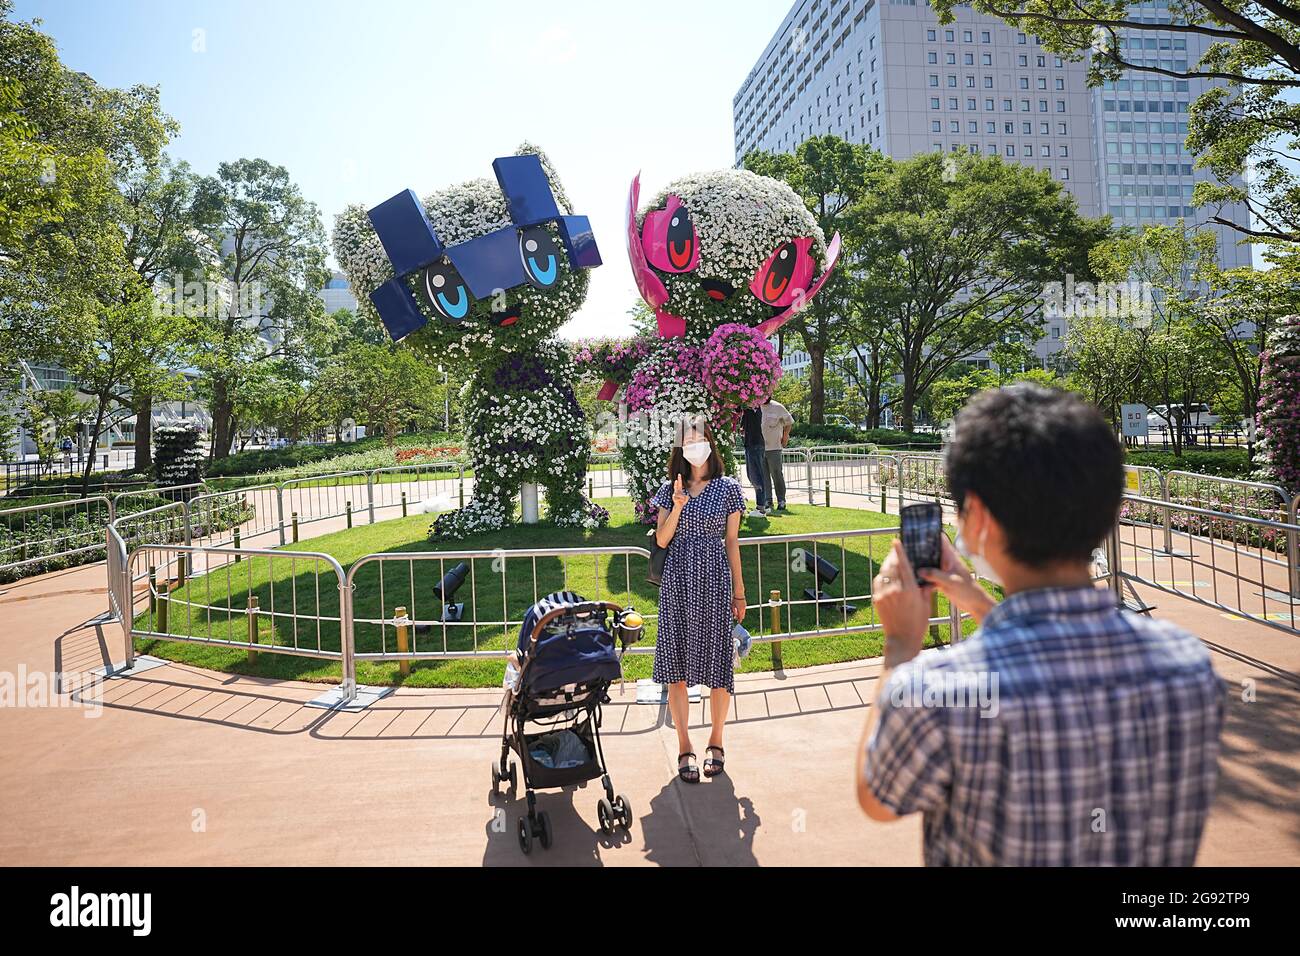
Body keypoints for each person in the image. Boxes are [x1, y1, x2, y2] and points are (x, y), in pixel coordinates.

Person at [856, 384, 1225, 866]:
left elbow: (878, 799)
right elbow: (1046, 648)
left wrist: (901, 643)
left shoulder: (941, 690)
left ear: (979, 518)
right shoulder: (1189, 663)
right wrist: (974, 598)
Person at [651, 415, 747, 783]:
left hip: (715, 580)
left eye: (700, 439)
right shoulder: (669, 488)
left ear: (710, 442)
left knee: (719, 665)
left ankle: (717, 742)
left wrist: (739, 591)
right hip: (677, 581)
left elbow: (732, 541)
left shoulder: (728, 488)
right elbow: (661, 540)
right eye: (687, 441)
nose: (695, 446)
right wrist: (676, 505)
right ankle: (684, 746)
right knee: (675, 667)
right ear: (680, 449)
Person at [760, 397, 794, 512]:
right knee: (763, 476)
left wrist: (785, 436)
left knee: (776, 474)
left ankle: (781, 500)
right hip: (759, 448)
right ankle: (767, 501)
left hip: (774, 447)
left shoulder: (778, 407)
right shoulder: (755, 407)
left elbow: (789, 422)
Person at [740, 404, 769, 516]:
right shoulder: (749, 410)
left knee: (756, 476)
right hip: (751, 444)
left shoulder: (753, 408)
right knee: (753, 476)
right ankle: (762, 505)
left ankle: (761, 508)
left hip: (755, 444)